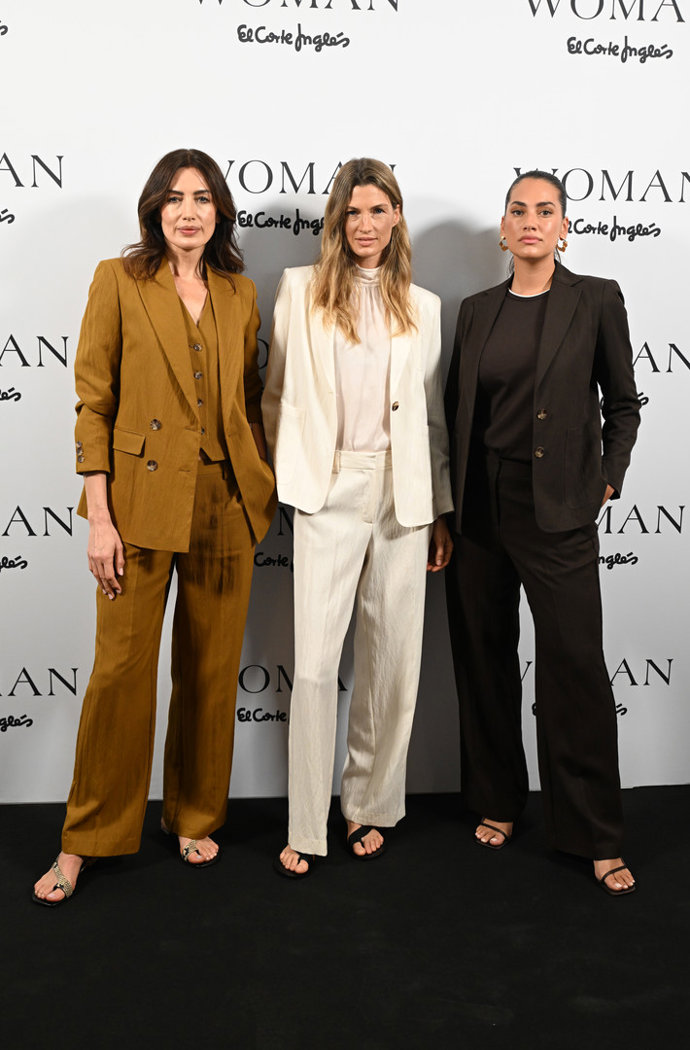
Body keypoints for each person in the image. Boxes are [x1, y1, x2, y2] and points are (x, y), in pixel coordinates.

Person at [33, 148, 276, 905]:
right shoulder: (118, 279)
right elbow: (94, 404)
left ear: (219, 211)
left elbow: (250, 399)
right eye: (174, 198)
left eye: (201, 198)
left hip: (225, 504)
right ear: (154, 210)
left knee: (211, 670)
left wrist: (259, 488)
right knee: (120, 673)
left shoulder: (240, 292)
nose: (188, 212)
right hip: (136, 506)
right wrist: (99, 518)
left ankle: (194, 815)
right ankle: (86, 839)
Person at [444, 170, 640, 896]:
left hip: (557, 509)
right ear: (504, 228)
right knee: (485, 657)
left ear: (563, 227)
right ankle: (497, 800)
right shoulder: (475, 311)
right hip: (479, 508)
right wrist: (447, 510)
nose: (531, 221)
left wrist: (607, 478)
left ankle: (594, 834)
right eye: (519, 210)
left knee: (573, 669)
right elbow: (456, 411)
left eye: (545, 210)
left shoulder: (596, 299)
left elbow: (624, 404)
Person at [262, 158, 453, 878]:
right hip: (329, 487)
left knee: (392, 661)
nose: (366, 225)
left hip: (404, 493)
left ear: (396, 216)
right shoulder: (301, 289)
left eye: (378, 210)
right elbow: (277, 394)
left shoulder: (424, 306)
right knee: (315, 666)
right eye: (353, 212)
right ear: (337, 221)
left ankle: (368, 805)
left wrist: (440, 509)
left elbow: (431, 419)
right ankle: (305, 823)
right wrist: (290, 479)